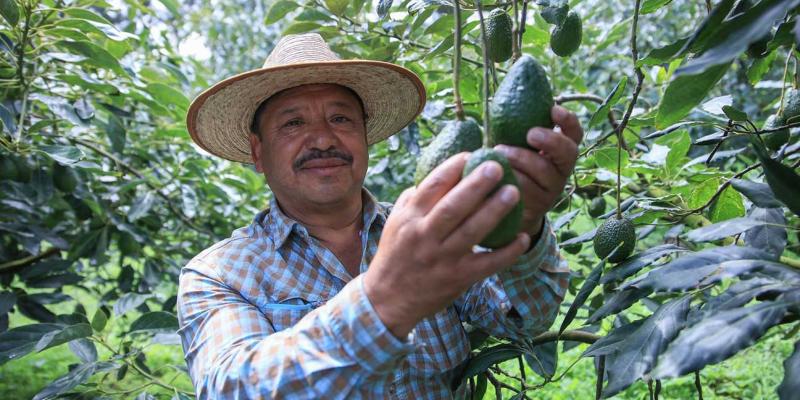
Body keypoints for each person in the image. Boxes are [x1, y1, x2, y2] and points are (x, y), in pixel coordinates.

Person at [178, 33, 582, 399]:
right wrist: (386, 300)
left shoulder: (429, 230)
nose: (322, 139)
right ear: (256, 152)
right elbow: (229, 388)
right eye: (293, 123)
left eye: (340, 118)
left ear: (365, 136)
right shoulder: (218, 274)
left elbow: (523, 320)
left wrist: (523, 224)